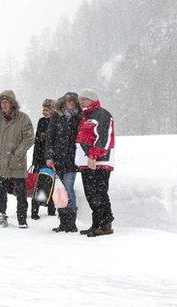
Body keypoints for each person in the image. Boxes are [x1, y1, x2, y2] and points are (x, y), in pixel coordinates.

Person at [0, 90, 34, 228]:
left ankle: (22, 219)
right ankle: (1, 216)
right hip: (1, 162)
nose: (4, 104)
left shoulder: (23, 118)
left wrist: (18, 153)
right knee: (0, 191)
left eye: (7, 102)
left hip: (17, 162)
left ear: (13, 103)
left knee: (21, 192)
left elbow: (29, 138)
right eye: (2, 102)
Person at [75, 89, 115, 237]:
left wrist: (93, 155)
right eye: (80, 100)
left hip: (99, 161)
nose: (81, 103)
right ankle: (96, 224)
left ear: (92, 100)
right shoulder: (86, 117)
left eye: (83, 100)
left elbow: (104, 137)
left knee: (99, 193)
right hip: (87, 162)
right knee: (90, 194)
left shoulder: (101, 114)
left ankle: (105, 224)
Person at [46, 92, 82, 232]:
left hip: (72, 160)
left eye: (73, 102)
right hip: (57, 160)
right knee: (59, 191)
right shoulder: (56, 116)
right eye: (68, 102)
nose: (70, 104)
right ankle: (63, 222)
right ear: (64, 102)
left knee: (68, 189)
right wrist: (49, 156)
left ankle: (71, 223)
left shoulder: (79, 117)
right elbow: (50, 137)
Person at [31, 98, 57, 220]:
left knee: (53, 184)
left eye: (47, 109)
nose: (45, 112)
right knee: (40, 185)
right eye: (44, 109)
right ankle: (35, 211)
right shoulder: (41, 122)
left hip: (53, 159)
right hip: (41, 158)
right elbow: (37, 142)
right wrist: (35, 159)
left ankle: (51, 210)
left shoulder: (57, 121)